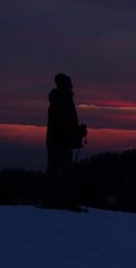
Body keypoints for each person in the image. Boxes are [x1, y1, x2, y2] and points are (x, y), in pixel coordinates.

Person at [44, 73, 86, 209]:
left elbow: (61, 125)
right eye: (70, 83)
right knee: (65, 173)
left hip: (54, 143)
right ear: (65, 85)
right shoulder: (64, 101)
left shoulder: (57, 100)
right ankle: (68, 203)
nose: (72, 86)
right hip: (62, 144)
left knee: (53, 172)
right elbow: (65, 126)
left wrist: (77, 131)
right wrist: (78, 132)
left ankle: (51, 201)